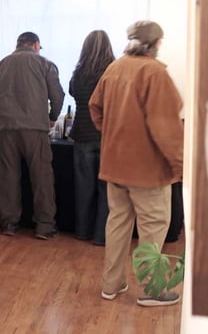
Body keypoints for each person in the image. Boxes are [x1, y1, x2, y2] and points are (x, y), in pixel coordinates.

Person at [90, 20, 183, 307]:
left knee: (117, 223)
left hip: (115, 166)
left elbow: (95, 107)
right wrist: (181, 165)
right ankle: (151, 290)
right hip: (147, 170)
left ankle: (111, 284)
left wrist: (113, 136)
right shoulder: (154, 73)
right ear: (155, 43)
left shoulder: (114, 68)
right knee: (153, 227)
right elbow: (166, 127)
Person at [0, 31, 65, 239]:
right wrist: (52, 118)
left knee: (6, 177)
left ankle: (9, 224)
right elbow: (57, 96)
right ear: (36, 45)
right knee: (41, 177)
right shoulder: (45, 64)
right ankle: (45, 226)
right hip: (35, 128)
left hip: (4, 128)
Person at [69, 30, 115, 245]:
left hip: (81, 135)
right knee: (106, 190)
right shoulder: (112, 72)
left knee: (83, 188)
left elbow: (72, 93)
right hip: (106, 135)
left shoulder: (78, 73)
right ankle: (101, 236)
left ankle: (82, 231)